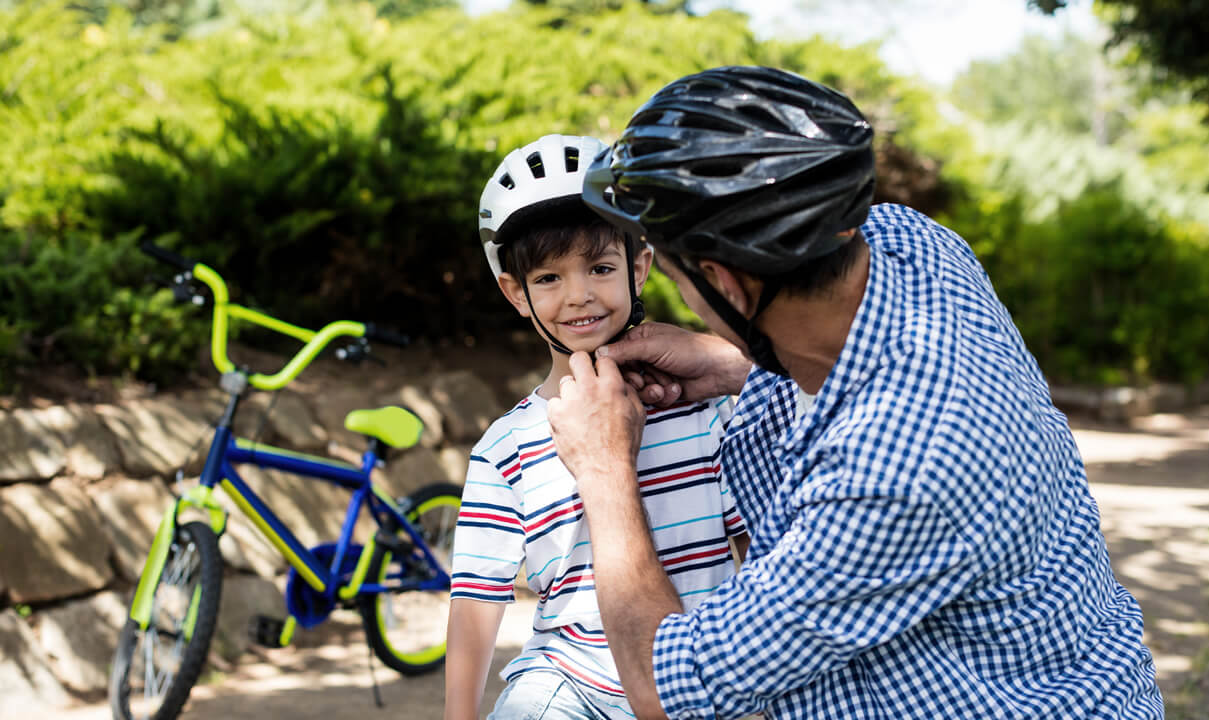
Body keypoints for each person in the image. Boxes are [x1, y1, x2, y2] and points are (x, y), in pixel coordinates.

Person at [541, 66, 1164, 719]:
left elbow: (667, 690)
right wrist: (737, 363)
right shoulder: (909, 241)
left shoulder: (896, 469)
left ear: (725, 284)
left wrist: (605, 468)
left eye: (675, 277)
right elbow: (865, 370)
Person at [444, 133, 750, 720]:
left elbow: (753, 551)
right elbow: (477, 597)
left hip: (696, 679)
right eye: (548, 278)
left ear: (640, 268)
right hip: (568, 681)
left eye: (601, 267)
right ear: (515, 292)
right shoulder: (503, 448)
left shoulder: (705, 412)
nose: (579, 295)